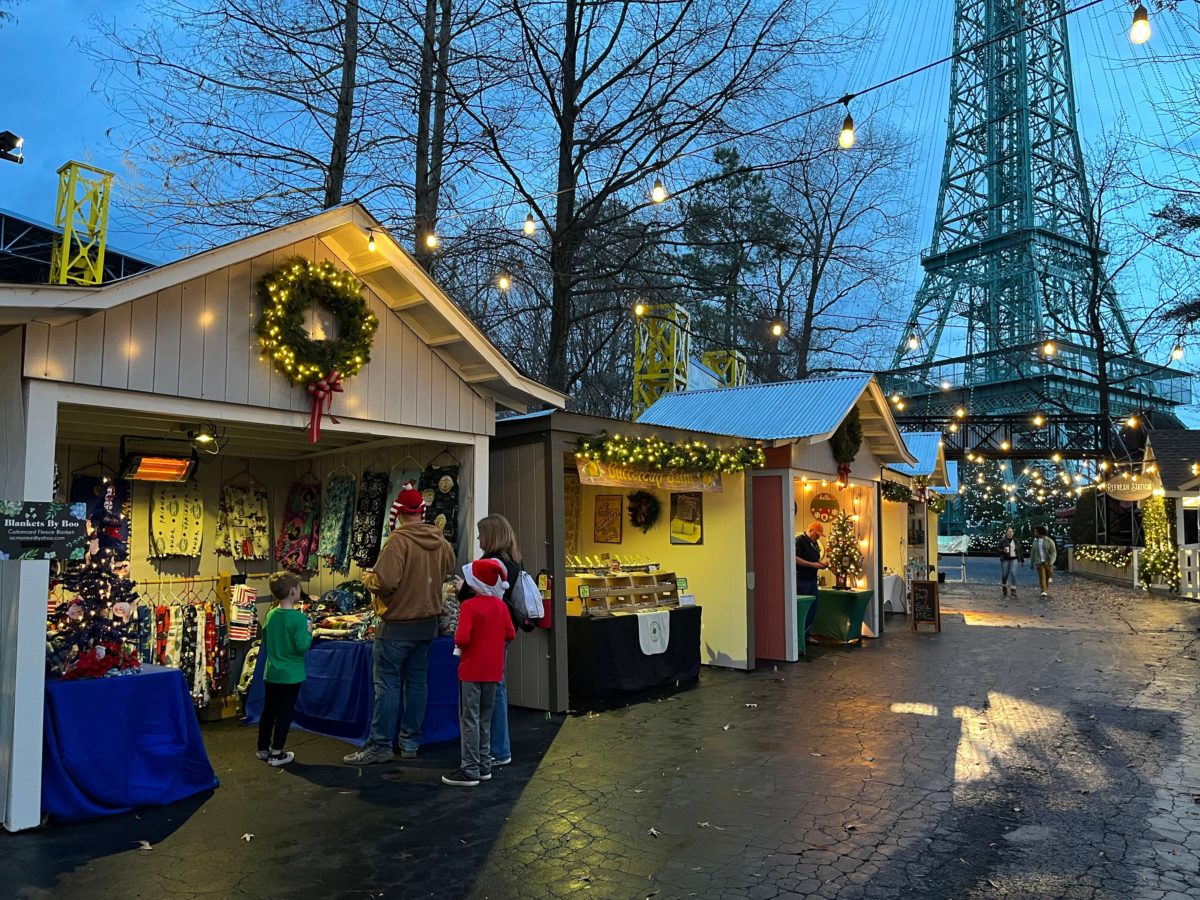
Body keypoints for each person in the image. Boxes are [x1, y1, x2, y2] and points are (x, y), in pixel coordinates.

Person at [344, 482, 455, 766]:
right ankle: (410, 742)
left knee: (388, 686)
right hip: (427, 625)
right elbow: (448, 573)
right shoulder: (441, 542)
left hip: (396, 626)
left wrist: (369, 578)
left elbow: (386, 581)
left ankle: (380, 745)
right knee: (417, 683)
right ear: (422, 511)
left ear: (400, 513)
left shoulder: (397, 541)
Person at [455, 514, 523, 768]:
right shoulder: (514, 562)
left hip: (484, 638)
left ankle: (486, 754)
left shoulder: (489, 564)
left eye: (481, 533)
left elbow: (470, 599)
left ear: (491, 536)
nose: (478, 537)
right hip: (501, 634)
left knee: (479, 704)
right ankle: (494, 750)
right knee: (496, 690)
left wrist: (464, 587)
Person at [443, 558, 516, 787]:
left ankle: (470, 768)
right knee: (485, 717)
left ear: (474, 582)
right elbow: (510, 633)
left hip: (471, 669)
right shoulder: (500, 605)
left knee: (469, 719)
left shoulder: (469, 606)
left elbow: (462, 637)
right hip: (493, 670)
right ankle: (484, 764)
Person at [257, 571, 313, 768]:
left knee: (269, 711)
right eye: (298, 587)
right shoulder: (298, 619)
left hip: (272, 672)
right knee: (285, 713)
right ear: (292, 591)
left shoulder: (271, 614)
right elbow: (302, 646)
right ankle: (277, 752)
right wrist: (309, 631)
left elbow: (265, 638)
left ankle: (263, 748)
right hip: (291, 674)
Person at [795, 522, 828, 639]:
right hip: (802, 580)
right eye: (817, 534)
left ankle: (807, 634)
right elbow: (794, 558)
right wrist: (812, 565)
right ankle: (800, 635)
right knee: (804, 608)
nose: (818, 537)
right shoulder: (799, 541)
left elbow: (815, 559)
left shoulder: (815, 544)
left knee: (813, 607)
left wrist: (821, 564)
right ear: (810, 531)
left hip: (812, 580)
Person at [1030, 526, 1057, 598]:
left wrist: (1051, 561)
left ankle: (1045, 588)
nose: (1034, 533)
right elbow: (1032, 553)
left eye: (1036, 531)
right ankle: (1043, 590)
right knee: (1042, 576)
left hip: (1048, 562)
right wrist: (1031, 563)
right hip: (1038, 562)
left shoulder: (1050, 541)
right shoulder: (1035, 542)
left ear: (1040, 532)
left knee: (1048, 576)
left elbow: (1054, 553)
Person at [998, 527, 1023, 598]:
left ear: (1013, 533)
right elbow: (997, 550)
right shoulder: (1002, 540)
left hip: (1014, 559)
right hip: (1005, 559)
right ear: (1006, 532)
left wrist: (1021, 560)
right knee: (1004, 575)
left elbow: (1019, 551)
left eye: (1011, 532)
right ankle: (1004, 586)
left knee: (1013, 572)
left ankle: (1013, 590)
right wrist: (1003, 550)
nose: (1010, 533)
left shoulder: (1016, 541)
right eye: (1009, 531)